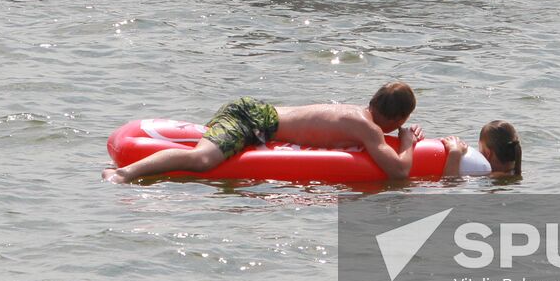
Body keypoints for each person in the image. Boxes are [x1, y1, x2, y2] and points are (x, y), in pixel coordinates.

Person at [102, 82, 421, 183]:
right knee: (202, 160)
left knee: (206, 160)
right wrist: (407, 143)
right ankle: (123, 174)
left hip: (258, 119)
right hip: (252, 119)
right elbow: (399, 171)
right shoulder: (368, 128)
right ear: (398, 118)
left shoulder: (357, 114)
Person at [442, 120, 522, 178]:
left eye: (480, 150)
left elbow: (451, 183)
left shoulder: (491, 177)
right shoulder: (513, 173)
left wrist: (455, 152)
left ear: (487, 153)